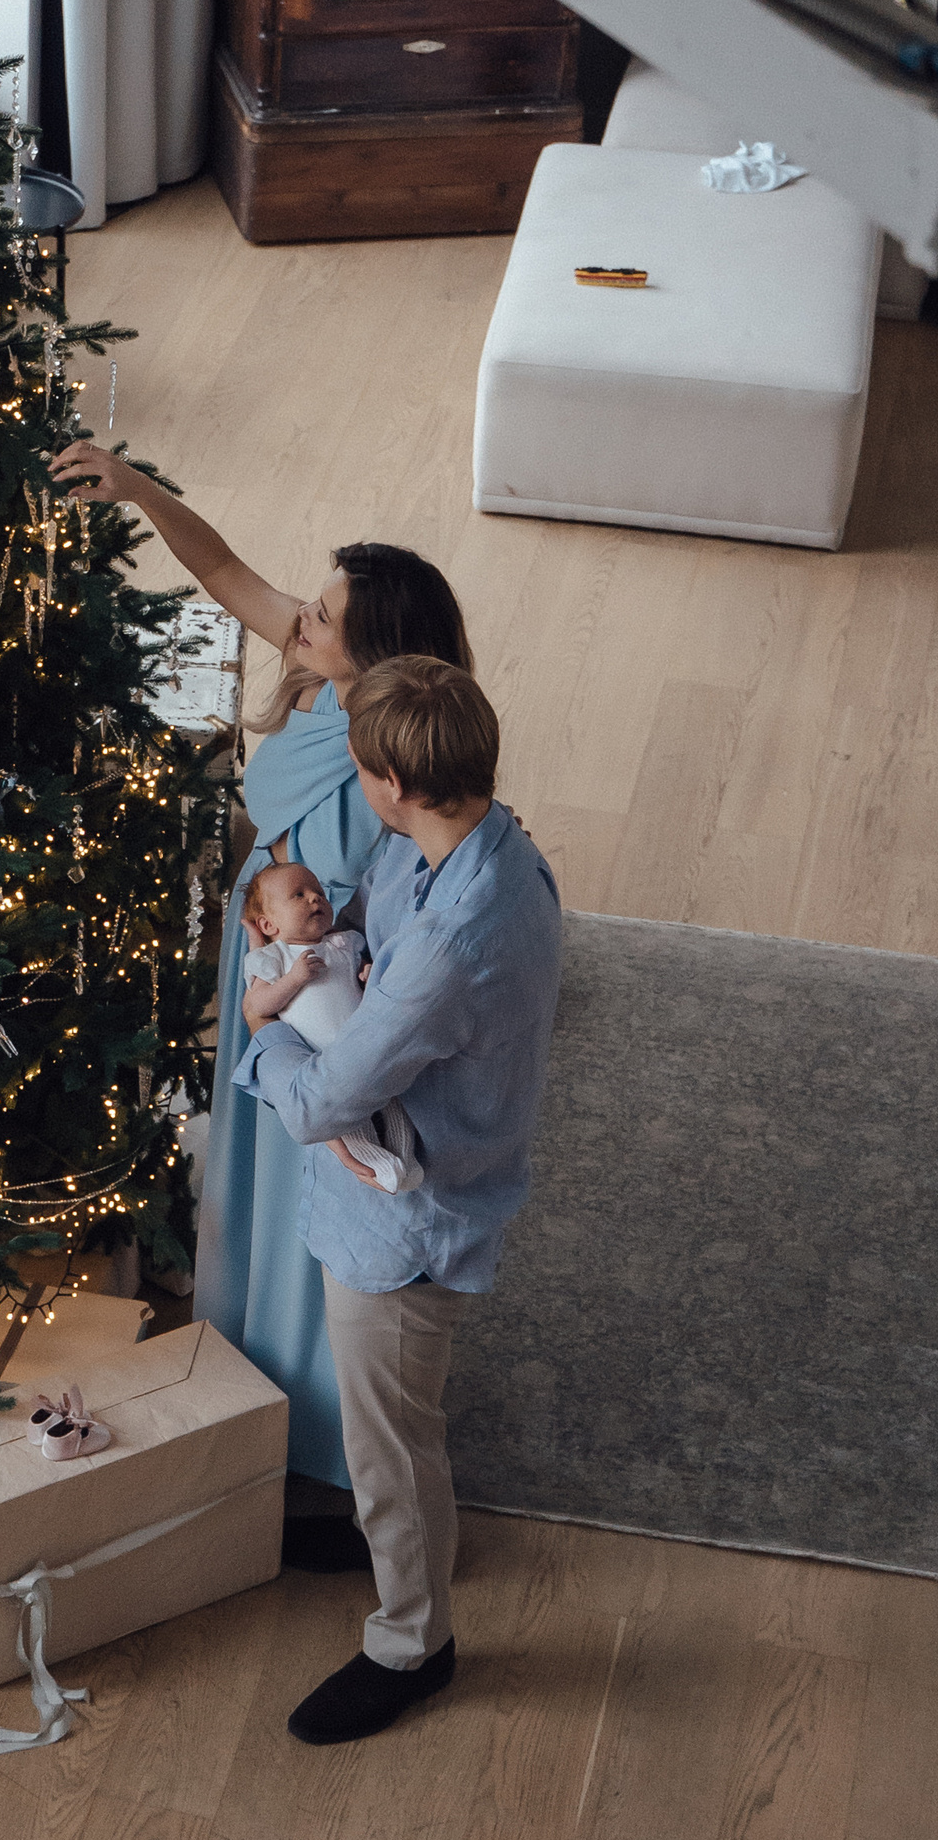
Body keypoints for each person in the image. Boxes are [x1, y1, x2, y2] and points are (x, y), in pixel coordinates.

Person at [48, 440, 471, 1546]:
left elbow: (423, 853)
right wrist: (137, 491)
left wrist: (335, 961)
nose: (301, 620)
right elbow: (228, 574)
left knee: (308, 1208)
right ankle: (242, 1404)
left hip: (313, 973)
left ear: (373, 649)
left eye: (322, 615)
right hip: (268, 941)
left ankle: (323, 1461)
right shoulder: (331, 675)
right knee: (249, 1171)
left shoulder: (387, 732)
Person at [234, 655, 563, 1743]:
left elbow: (323, 1097)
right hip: (413, 1173)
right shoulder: (471, 842)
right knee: (389, 1424)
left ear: (385, 780)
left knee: (395, 1435)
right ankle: (389, 1532)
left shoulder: (451, 944)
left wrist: (261, 1031)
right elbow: (368, 932)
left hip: (408, 1222)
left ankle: (412, 1636)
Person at [237, 860, 422, 1194]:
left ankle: (406, 1160)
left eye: (318, 892)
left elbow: (358, 980)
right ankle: (378, 1164)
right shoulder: (275, 958)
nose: (315, 899)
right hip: (324, 1061)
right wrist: (293, 979)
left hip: (367, 1042)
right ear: (268, 924)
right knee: (348, 1117)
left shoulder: (344, 942)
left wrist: (367, 976)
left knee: (392, 1101)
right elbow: (259, 1005)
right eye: (298, 895)